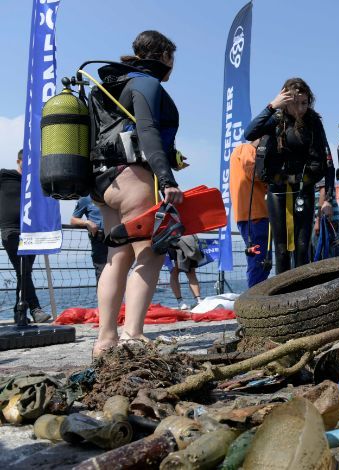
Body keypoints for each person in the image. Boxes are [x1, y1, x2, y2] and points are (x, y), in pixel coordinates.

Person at [91, 31, 184, 358]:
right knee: (151, 252)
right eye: (172, 59)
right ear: (165, 57)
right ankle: (133, 335)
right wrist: (166, 178)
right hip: (132, 177)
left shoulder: (108, 84)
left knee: (118, 258)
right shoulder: (146, 83)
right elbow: (146, 131)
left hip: (102, 183)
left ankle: (105, 341)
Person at [244, 78, 332, 274]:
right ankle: (282, 298)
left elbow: (327, 162)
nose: (300, 108)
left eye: (304, 103)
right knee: (281, 249)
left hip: (303, 190)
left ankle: (302, 295)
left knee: (302, 247)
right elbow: (249, 133)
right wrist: (272, 105)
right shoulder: (275, 118)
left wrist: (328, 200)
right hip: (277, 191)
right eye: (294, 103)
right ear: (285, 100)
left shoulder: (313, 122)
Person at [0, 150, 49, 323]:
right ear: (18, 161)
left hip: (32, 232)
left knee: (24, 272)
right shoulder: (5, 175)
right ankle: (35, 308)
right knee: (23, 269)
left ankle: (19, 313)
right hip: (10, 230)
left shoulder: (36, 182)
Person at [230, 140, 271, 287]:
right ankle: (255, 300)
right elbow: (254, 171)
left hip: (251, 214)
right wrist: (275, 177)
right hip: (254, 214)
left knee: (259, 260)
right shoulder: (245, 148)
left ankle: (255, 298)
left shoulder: (239, 151)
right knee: (260, 260)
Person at [70, 195, 108, 285]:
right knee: (102, 273)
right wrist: (86, 222)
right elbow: (73, 220)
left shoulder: (114, 194)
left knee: (120, 272)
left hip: (118, 238)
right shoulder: (86, 198)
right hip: (100, 241)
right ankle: (103, 299)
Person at [168, 235, 203, 310]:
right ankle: (198, 300)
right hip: (187, 241)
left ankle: (181, 302)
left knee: (175, 273)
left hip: (172, 240)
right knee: (190, 273)